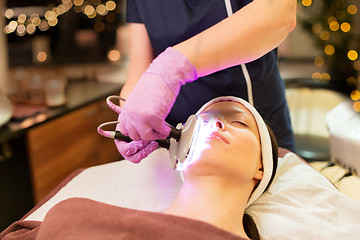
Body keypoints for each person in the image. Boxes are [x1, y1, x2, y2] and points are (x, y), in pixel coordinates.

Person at [0, 97, 278, 240]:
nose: (216, 124)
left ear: (260, 168)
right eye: (204, 120)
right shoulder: (74, 214)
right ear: (179, 155)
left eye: (239, 123)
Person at [115, 0, 296, 163]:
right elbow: (137, 75)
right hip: (175, 145)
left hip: (251, 137)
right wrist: (129, 122)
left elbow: (279, 15)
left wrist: (172, 66)